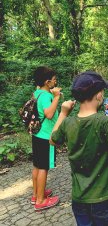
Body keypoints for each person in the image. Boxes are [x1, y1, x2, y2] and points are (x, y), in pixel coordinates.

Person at [50, 71, 108, 225]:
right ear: (98, 95)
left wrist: (63, 113)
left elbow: (53, 140)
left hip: (79, 198)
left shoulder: (68, 123)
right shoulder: (102, 121)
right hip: (104, 199)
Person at [31, 66, 61, 211]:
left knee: (37, 165)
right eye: (54, 80)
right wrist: (56, 97)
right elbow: (49, 114)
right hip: (45, 137)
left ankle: (36, 194)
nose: (56, 82)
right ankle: (41, 201)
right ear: (47, 81)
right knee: (44, 167)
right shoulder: (46, 96)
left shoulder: (37, 93)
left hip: (37, 134)